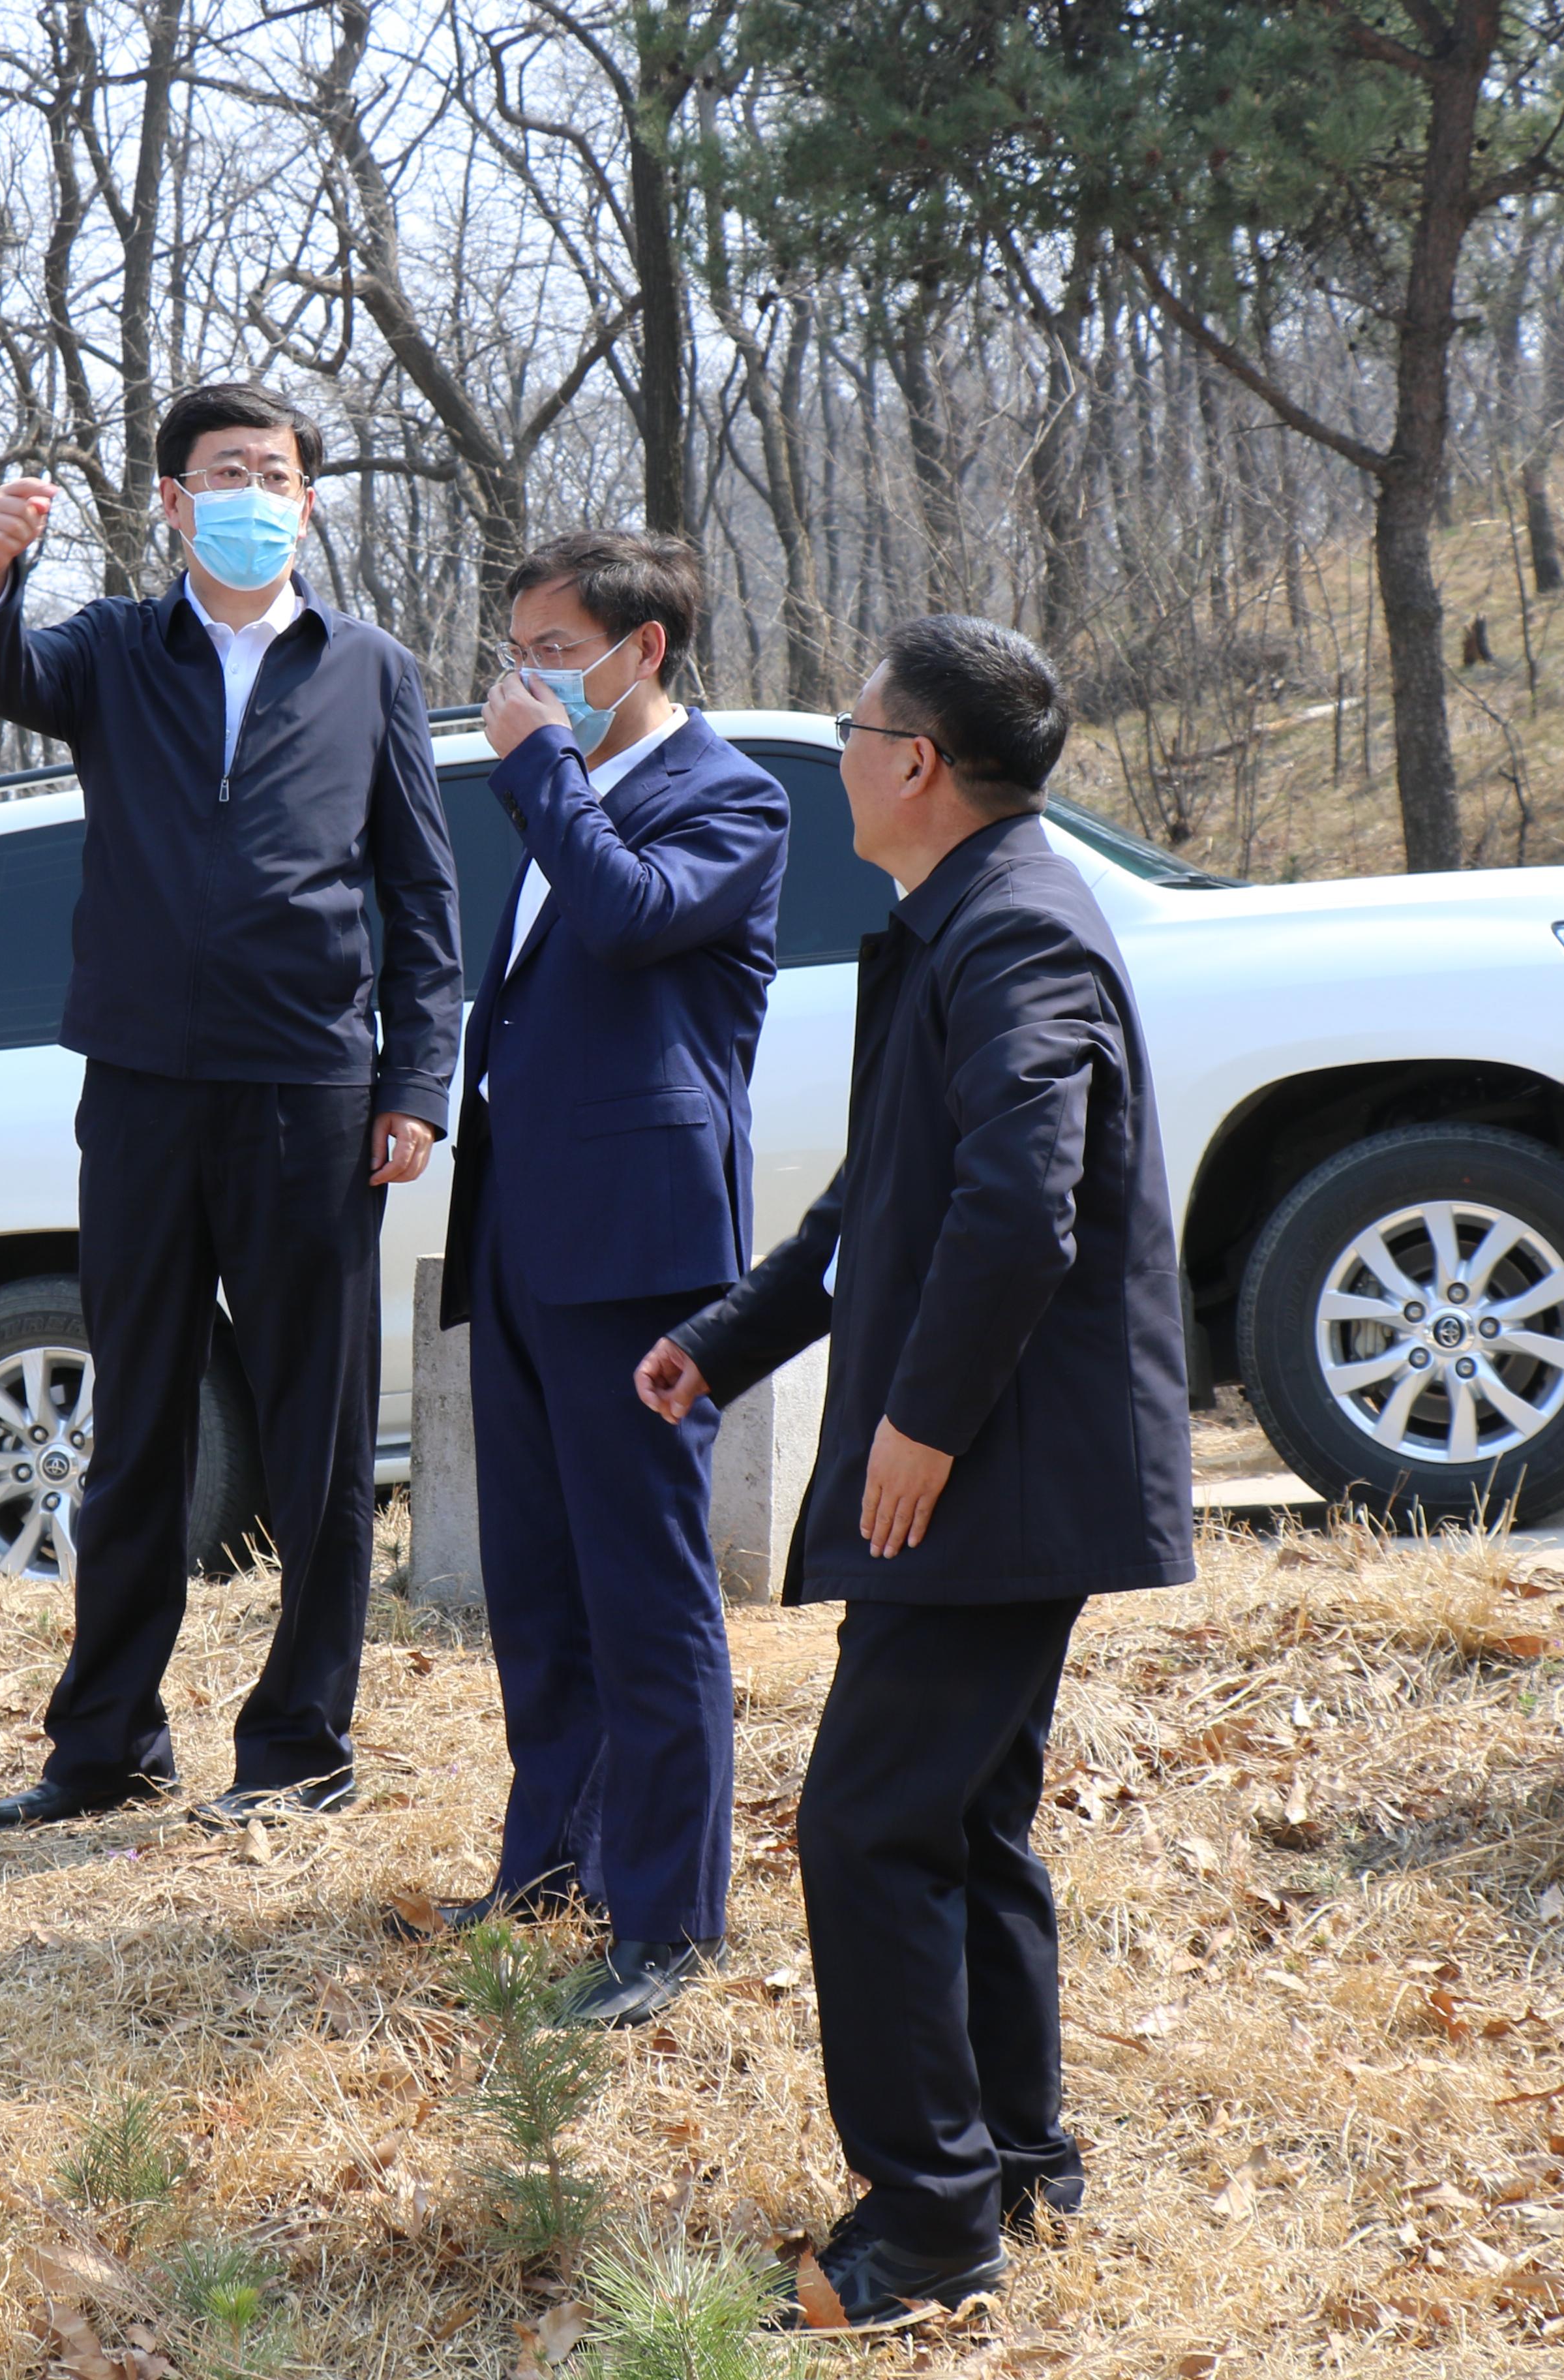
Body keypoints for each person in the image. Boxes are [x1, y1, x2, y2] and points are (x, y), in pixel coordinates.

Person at [636, 617, 1194, 2330]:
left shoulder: (1015, 928)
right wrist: (729, 1338)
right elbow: (889, 1189)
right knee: (961, 1818)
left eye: (855, 728)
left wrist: (922, 1427)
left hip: (991, 1475)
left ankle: (931, 2222)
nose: (841, 754)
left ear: (918, 764)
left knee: (871, 1827)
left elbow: (1021, 1205)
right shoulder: (965, 914)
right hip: (997, 1468)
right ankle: (1014, 2160)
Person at [0, 385, 462, 1833]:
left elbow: (421, 894)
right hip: (143, 1090)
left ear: (309, 500)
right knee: (138, 1424)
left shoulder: (369, 668)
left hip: (311, 1090)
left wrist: (417, 1079)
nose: (256, 494)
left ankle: (300, 1746)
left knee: (317, 1431)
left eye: (277, 473)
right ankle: (107, 1743)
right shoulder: (117, 649)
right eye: (227, 472)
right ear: (174, 502)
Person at [415, 529, 787, 2025]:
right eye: (519, 651)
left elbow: (631, 917)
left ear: (645, 651)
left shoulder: (729, 796)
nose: (528, 678)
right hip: (524, 1231)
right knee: (540, 1577)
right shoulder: (565, 794)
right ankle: (552, 1867)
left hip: (641, 1249)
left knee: (646, 1587)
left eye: (559, 650)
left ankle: (669, 1920)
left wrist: (540, 770)